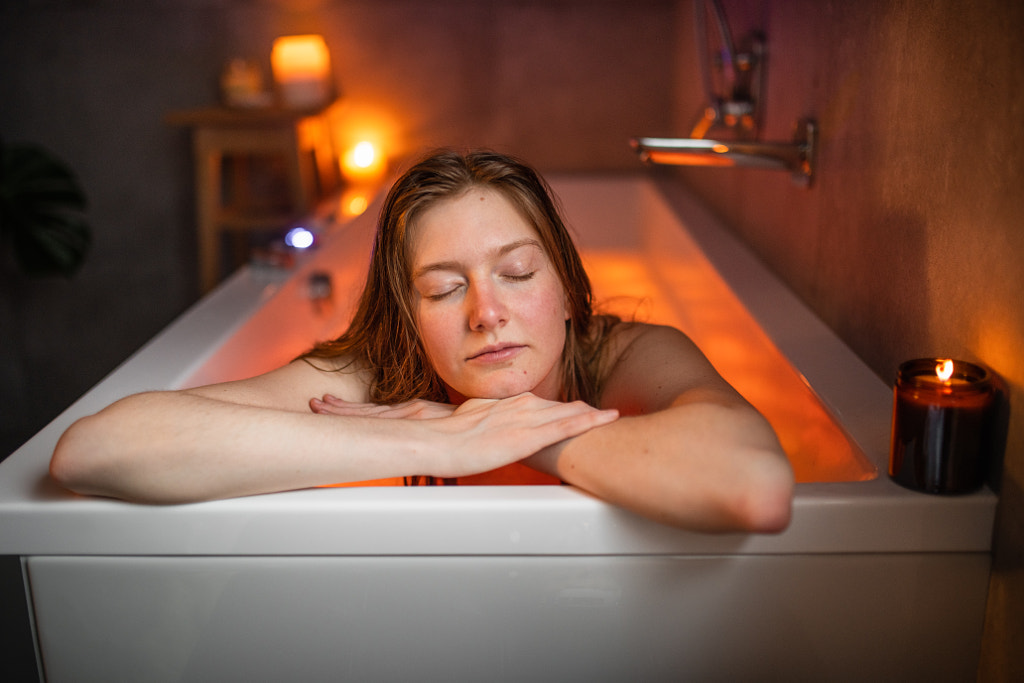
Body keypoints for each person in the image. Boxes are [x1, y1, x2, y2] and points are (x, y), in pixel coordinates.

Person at [50, 149, 794, 533]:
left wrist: (501, 436)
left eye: (517, 272)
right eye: (443, 288)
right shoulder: (383, 372)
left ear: (567, 286)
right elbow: (97, 449)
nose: (487, 312)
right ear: (407, 314)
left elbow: (753, 486)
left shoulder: (622, 355)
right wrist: (430, 445)